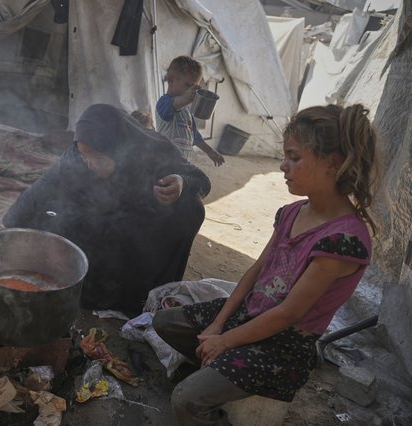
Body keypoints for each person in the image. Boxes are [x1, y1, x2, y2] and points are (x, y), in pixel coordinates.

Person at [152, 103, 379, 425]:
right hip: (251, 315)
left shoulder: (343, 240)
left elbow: (289, 314)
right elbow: (256, 272)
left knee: (185, 401)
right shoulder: (291, 212)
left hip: (283, 345)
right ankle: (216, 372)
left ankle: (211, 384)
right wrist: (218, 325)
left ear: (333, 164)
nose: (283, 166)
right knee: (165, 322)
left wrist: (225, 340)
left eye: (294, 157)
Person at [3, 103, 211, 315]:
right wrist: (8, 234)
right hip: (100, 228)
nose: (89, 163)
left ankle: (146, 292)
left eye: (98, 157)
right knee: (60, 215)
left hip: (143, 231)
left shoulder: (152, 151)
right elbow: (40, 190)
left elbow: (202, 180)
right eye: (85, 156)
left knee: (191, 208)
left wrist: (182, 181)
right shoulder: (78, 155)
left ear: (118, 148)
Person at [156, 55, 224, 166]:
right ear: (171, 82)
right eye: (188, 85)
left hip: (183, 164)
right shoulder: (163, 102)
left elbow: (194, 135)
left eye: (196, 86)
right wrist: (186, 98)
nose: (192, 89)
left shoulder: (186, 111)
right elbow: (172, 106)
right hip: (165, 164)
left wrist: (209, 151)